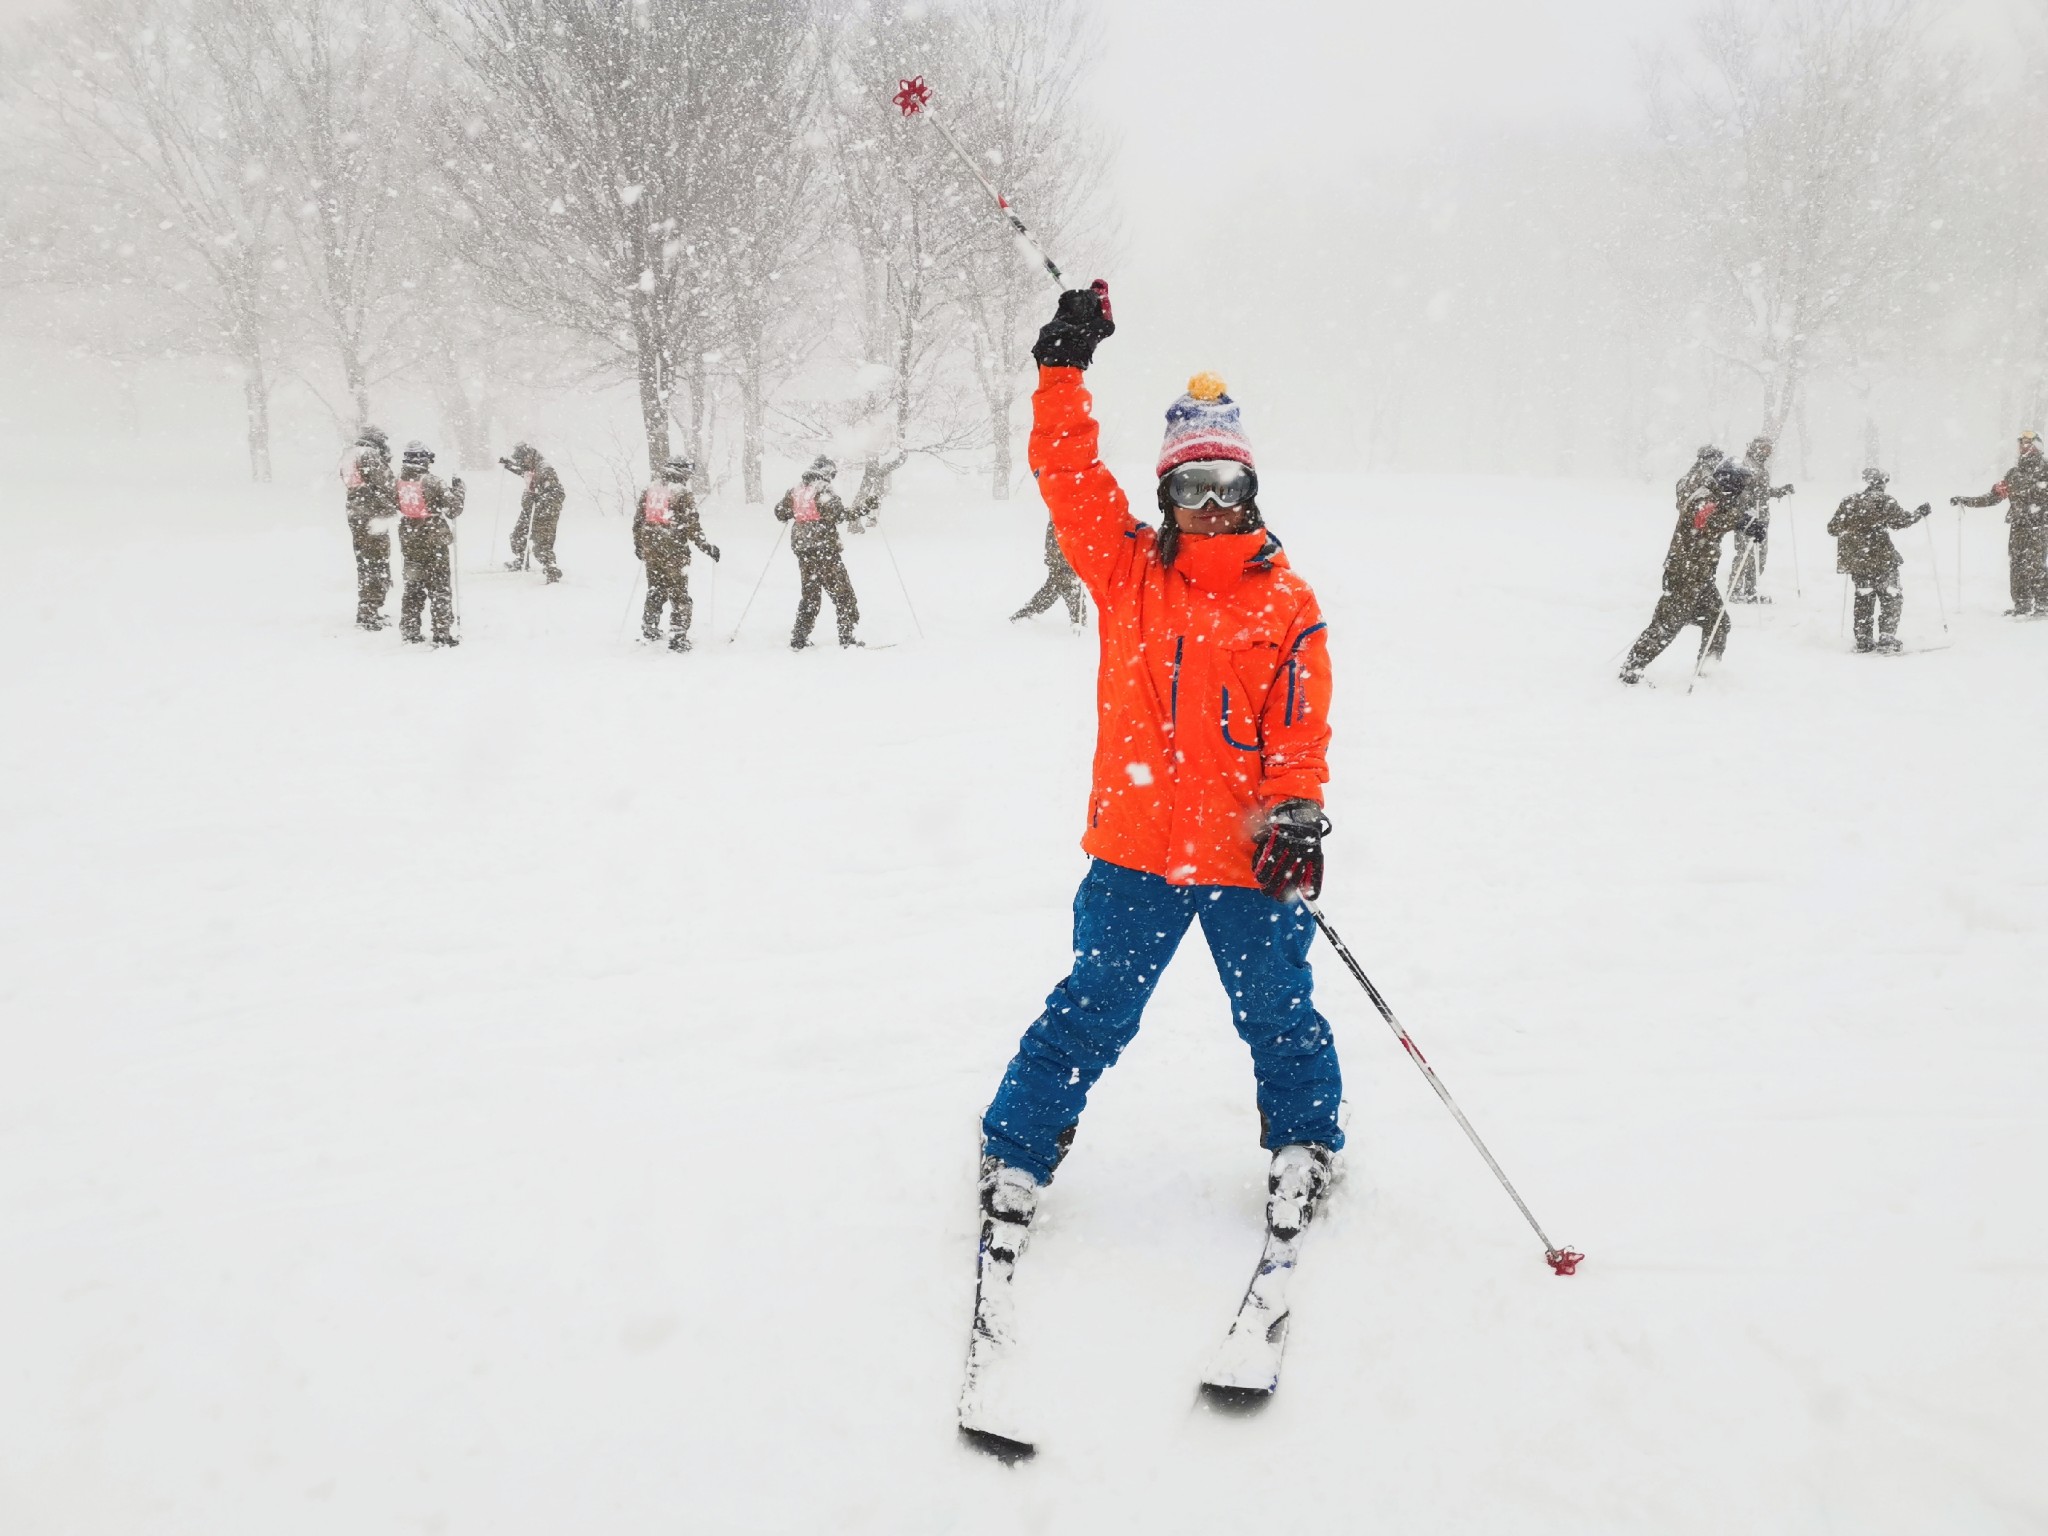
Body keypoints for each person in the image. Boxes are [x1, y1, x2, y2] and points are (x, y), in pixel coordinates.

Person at [975, 286, 1343, 1263]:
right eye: (1191, 488)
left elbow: (1297, 731)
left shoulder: (1286, 602)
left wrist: (1295, 813)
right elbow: (1064, 472)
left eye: (1225, 485)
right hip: (1134, 855)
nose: (1211, 506)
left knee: (1278, 1012)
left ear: (1250, 488)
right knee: (1091, 1008)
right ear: (1165, 495)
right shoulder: (1128, 569)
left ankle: (1303, 1141)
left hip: (1244, 858)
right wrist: (1061, 371)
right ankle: (1015, 1150)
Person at [1619, 459, 1764, 684]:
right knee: (1667, 626)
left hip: (1701, 577)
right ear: (1729, 481)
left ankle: (1707, 670)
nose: (1741, 490)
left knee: (1718, 622)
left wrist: (1746, 521)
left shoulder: (1718, 498)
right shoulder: (1703, 498)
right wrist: (1740, 522)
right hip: (1684, 576)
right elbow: (1703, 522)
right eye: (1740, 484)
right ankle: (1631, 669)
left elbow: (1722, 516)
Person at [1829, 468, 1932, 654]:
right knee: (1891, 595)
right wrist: (1920, 513)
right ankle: (1886, 637)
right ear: (1881, 483)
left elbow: (1833, 528)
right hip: (1882, 557)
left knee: (1864, 596)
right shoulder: (1884, 501)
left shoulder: (1849, 501)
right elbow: (1901, 522)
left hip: (1858, 560)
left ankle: (1863, 639)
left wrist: (1853, 532)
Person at [1951, 429, 2048, 617]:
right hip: (2019, 526)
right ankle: (2022, 604)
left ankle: (2043, 603)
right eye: (2021, 443)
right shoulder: (2013, 474)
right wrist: (1966, 500)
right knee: (2018, 563)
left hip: (2040, 525)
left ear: (2037, 446)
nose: (2023, 447)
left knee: (2036, 564)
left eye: (2027, 443)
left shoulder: (2046, 470)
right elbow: (1993, 497)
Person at [774, 456, 864, 650]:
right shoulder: (823, 488)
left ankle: (799, 637)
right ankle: (847, 638)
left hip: (803, 551)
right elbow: (839, 514)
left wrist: (796, 511)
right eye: (832, 474)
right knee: (844, 595)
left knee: (810, 596)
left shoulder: (795, 490)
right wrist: (863, 510)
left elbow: (780, 512)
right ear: (826, 472)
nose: (832, 477)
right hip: (825, 550)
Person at [633, 456, 719, 651]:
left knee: (655, 588)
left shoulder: (651, 488)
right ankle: (678, 636)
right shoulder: (681, 492)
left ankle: (649, 627)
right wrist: (706, 546)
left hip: (651, 548)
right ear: (682, 471)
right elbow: (691, 525)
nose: (689, 475)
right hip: (674, 551)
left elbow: (638, 520)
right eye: (688, 471)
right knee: (679, 594)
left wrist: (639, 545)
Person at [394, 440, 465, 647]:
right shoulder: (433, 482)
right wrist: (459, 490)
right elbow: (453, 509)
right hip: (434, 542)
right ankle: (442, 633)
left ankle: (410, 630)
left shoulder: (397, 482)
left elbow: (392, 503)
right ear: (424, 459)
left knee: (413, 588)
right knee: (439, 588)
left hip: (409, 541)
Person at [340, 424, 397, 630]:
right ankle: (369, 611)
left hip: (356, 514)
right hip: (373, 517)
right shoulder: (369, 455)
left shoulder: (349, 455)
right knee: (377, 563)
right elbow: (387, 484)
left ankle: (367, 608)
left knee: (365, 562)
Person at [1726, 436, 1795, 603]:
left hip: (1761, 518)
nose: (1767, 452)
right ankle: (1734, 591)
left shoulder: (1760, 468)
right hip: (1747, 518)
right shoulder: (1746, 467)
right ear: (1755, 448)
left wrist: (1778, 492)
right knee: (1745, 554)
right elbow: (1739, 491)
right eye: (1763, 448)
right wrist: (1748, 501)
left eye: (1769, 449)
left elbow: (1762, 491)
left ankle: (1751, 591)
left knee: (1759, 556)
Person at [501, 443, 565, 581]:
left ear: (528, 457)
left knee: (541, 544)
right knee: (518, 534)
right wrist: (509, 465)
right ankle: (521, 560)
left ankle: (551, 569)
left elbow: (557, 493)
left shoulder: (545, 469)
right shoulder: (533, 467)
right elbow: (523, 471)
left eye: (521, 460)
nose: (520, 464)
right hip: (532, 508)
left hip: (545, 511)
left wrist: (541, 499)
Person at [1009, 519, 1088, 628]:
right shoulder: (1067, 508)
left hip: (1064, 540)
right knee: (1064, 583)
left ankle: (1078, 623)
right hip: (1062, 540)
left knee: (1062, 584)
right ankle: (1078, 624)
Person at [1676, 444, 1725, 509]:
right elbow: (1709, 483)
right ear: (1710, 457)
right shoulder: (1705, 469)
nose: (1718, 461)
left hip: (1688, 511)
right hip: (1696, 510)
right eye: (1718, 458)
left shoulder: (1690, 474)